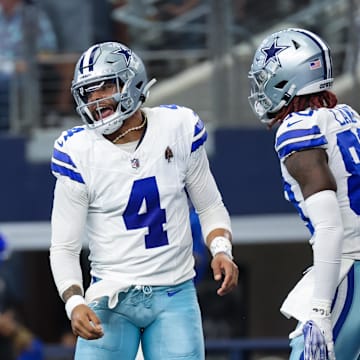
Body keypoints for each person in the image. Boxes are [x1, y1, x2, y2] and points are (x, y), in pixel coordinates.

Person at [49, 41, 239, 360]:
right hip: (110, 297)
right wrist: (74, 302)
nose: (96, 99)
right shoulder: (78, 151)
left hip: (174, 292)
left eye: (105, 86)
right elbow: (64, 246)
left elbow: (209, 205)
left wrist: (221, 249)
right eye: (88, 92)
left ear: (132, 81)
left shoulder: (177, 128)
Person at [248, 27, 360, 360]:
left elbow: (330, 228)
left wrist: (320, 311)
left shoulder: (298, 128)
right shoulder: (347, 116)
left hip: (349, 269)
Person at [0, 0, 58, 130]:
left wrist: (30, 61)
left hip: (24, 71)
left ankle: (20, 127)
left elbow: (49, 47)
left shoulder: (34, 16)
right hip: (3, 68)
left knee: (21, 81)